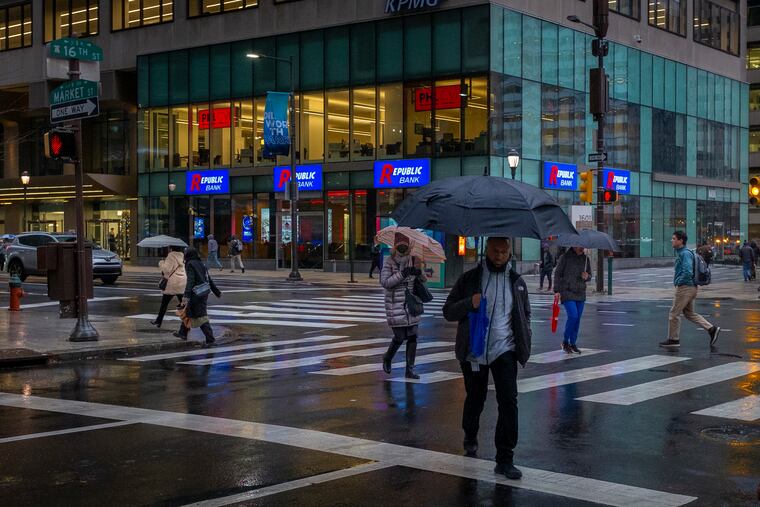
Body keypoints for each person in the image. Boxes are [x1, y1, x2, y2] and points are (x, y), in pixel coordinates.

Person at [443, 237, 531, 481]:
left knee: (509, 401)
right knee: (475, 398)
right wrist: (469, 303)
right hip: (474, 351)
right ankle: (470, 435)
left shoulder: (517, 282)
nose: (499, 255)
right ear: (487, 250)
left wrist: (524, 340)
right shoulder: (469, 279)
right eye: (495, 251)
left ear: (510, 253)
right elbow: (448, 311)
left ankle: (505, 458)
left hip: (505, 350)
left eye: (504, 252)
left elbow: (525, 314)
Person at [659, 231, 720, 350]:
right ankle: (712, 329)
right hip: (690, 287)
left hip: (685, 288)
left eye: (674, 238)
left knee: (673, 314)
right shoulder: (683, 253)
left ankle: (673, 339)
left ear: (680, 241)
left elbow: (687, 271)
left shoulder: (685, 254)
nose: (672, 241)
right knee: (689, 313)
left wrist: (679, 282)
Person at [380, 232, 426, 379]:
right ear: (395, 246)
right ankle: (388, 357)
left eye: (405, 246)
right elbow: (386, 282)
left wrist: (419, 272)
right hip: (395, 304)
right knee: (399, 337)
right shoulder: (389, 261)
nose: (402, 248)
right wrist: (402, 274)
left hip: (411, 304)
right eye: (399, 245)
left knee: (413, 337)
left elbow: (423, 280)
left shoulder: (414, 259)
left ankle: (410, 369)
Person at [175, 247, 221, 345]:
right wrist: (216, 291)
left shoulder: (190, 264)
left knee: (200, 316)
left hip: (196, 294)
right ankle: (182, 333)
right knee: (188, 312)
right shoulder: (201, 263)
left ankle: (210, 339)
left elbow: (190, 281)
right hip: (204, 292)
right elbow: (209, 279)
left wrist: (186, 295)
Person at [553, 247, 592, 354]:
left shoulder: (585, 259)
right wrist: (556, 290)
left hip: (580, 292)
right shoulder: (565, 257)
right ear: (574, 245)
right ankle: (565, 341)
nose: (582, 248)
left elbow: (590, 275)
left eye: (583, 246)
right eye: (580, 246)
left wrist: (587, 276)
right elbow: (557, 274)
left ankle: (573, 343)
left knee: (577, 319)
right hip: (567, 291)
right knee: (573, 316)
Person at [151, 246, 187, 328]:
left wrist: (161, 263)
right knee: (184, 305)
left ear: (171, 249)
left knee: (164, 304)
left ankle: (158, 321)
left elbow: (166, 270)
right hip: (182, 283)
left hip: (172, 283)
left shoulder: (171, 256)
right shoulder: (182, 256)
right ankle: (187, 322)